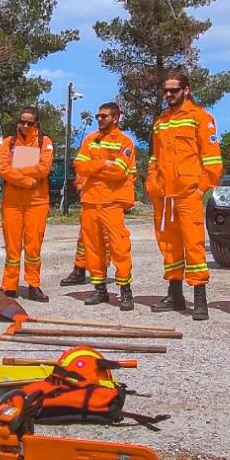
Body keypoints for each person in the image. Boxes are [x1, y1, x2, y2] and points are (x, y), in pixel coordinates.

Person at [146, 71, 223, 321]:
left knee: (194, 246)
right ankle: (175, 294)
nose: (169, 94)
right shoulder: (161, 122)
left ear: (186, 90)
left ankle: (199, 298)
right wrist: (152, 184)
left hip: (189, 193)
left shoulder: (200, 118)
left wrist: (201, 188)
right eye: (166, 90)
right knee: (168, 246)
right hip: (164, 196)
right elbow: (155, 158)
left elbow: (212, 160)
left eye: (174, 90)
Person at [73, 102, 136, 311]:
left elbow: (118, 172)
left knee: (119, 247)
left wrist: (93, 168)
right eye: (98, 116)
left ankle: (125, 290)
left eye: (104, 116)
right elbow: (80, 165)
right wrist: (103, 164)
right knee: (93, 248)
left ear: (116, 118)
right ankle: (100, 289)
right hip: (90, 201)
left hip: (112, 202)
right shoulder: (90, 139)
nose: (99, 119)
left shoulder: (125, 142)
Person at [0, 106, 53, 301]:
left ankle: (33, 285)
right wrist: (27, 180)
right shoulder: (8, 143)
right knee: (12, 248)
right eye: (22, 121)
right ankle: (9, 286)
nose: (25, 125)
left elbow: (43, 168)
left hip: (37, 203)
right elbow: (3, 168)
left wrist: (18, 169)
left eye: (30, 122)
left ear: (36, 123)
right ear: (18, 122)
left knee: (33, 247)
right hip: (12, 203)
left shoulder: (44, 142)